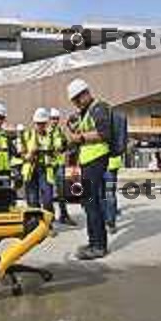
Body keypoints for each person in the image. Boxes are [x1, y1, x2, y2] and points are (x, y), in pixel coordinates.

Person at [65, 78, 111, 260]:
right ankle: (94, 242)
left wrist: (80, 138)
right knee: (89, 203)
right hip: (88, 161)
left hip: (96, 160)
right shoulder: (87, 112)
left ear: (85, 93)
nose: (76, 103)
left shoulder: (98, 108)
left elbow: (104, 133)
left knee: (92, 204)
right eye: (73, 101)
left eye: (77, 99)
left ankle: (98, 245)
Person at [22, 108, 55, 213]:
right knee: (32, 200)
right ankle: (35, 222)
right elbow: (21, 154)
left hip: (45, 169)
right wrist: (30, 154)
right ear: (35, 123)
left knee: (48, 198)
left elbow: (55, 151)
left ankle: (48, 221)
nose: (40, 126)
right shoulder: (27, 135)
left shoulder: (50, 136)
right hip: (31, 170)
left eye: (43, 123)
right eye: (38, 123)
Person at [49, 108, 77, 226]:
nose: (55, 121)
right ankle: (49, 217)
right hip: (48, 166)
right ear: (49, 119)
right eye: (53, 119)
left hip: (59, 165)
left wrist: (66, 149)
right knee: (48, 192)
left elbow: (66, 146)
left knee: (61, 192)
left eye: (56, 119)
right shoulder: (45, 131)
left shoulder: (60, 132)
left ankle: (64, 215)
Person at [104, 155, 123, 233]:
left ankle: (111, 221)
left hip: (109, 166)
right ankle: (110, 219)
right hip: (106, 165)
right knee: (108, 193)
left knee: (109, 193)